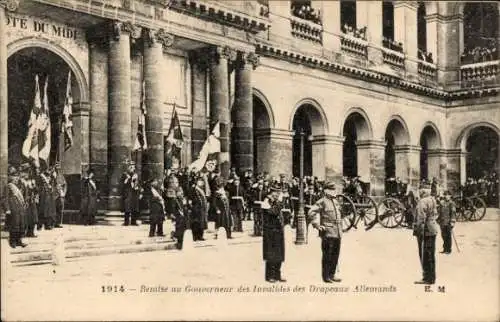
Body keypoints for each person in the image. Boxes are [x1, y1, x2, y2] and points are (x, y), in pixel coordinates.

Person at [308, 181, 343, 283]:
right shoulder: (322, 201)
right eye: (332, 190)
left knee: (335, 254)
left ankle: (332, 275)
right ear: (326, 191)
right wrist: (317, 225)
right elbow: (311, 212)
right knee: (327, 255)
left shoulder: (335, 201)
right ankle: (326, 276)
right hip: (327, 232)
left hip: (337, 232)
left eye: (334, 189)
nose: (334, 192)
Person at [413, 184, 439, 285]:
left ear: (422, 192)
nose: (419, 192)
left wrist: (419, 233)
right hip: (432, 229)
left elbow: (420, 219)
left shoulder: (422, 202)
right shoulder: (432, 199)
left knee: (424, 255)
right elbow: (436, 214)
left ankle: (426, 278)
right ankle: (432, 277)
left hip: (426, 231)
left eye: (420, 190)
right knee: (431, 255)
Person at [261, 184, 286, 283]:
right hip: (270, 231)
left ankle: (277, 275)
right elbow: (274, 212)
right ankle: (270, 276)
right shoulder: (266, 201)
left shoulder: (275, 202)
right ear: (272, 192)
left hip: (278, 230)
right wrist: (279, 202)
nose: (278, 194)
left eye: (279, 192)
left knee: (279, 254)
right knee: (271, 254)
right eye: (276, 192)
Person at [5, 166, 28, 248]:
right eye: (15, 177)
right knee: (14, 224)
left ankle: (19, 240)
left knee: (21, 224)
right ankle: (13, 241)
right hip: (13, 208)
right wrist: (7, 209)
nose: (16, 179)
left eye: (17, 177)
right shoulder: (9, 186)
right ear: (11, 177)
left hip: (20, 208)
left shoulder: (19, 186)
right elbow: (5, 198)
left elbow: (24, 195)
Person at [189, 176, 208, 241]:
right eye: (199, 181)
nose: (201, 182)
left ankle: (200, 236)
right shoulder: (193, 189)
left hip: (202, 208)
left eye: (201, 181)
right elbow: (191, 197)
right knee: (196, 223)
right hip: (196, 208)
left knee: (201, 223)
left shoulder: (202, 189)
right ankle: (195, 236)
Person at [122, 161, 140, 226]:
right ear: (128, 167)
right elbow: (123, 184)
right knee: (127, 207)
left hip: (134, 192)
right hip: (128, 192)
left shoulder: (136, 174)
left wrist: (137, 187)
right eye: (131, 166)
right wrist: (127, 178)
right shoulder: (125, 174)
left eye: (133, 166)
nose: (132, 167)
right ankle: (126, 222)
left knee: (134, 207)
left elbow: (138, 183)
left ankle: (133, 221)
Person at [53, 163, 67, 228]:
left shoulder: (61, 176)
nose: (58, 169)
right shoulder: (52, 175)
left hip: (60, 195)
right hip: (54, 195)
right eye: (56, 167)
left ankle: (58, 223)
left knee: (60, 209)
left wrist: (64, 192)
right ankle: (53, 222)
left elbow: (65, 185)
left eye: (59, 167)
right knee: (53, 209)